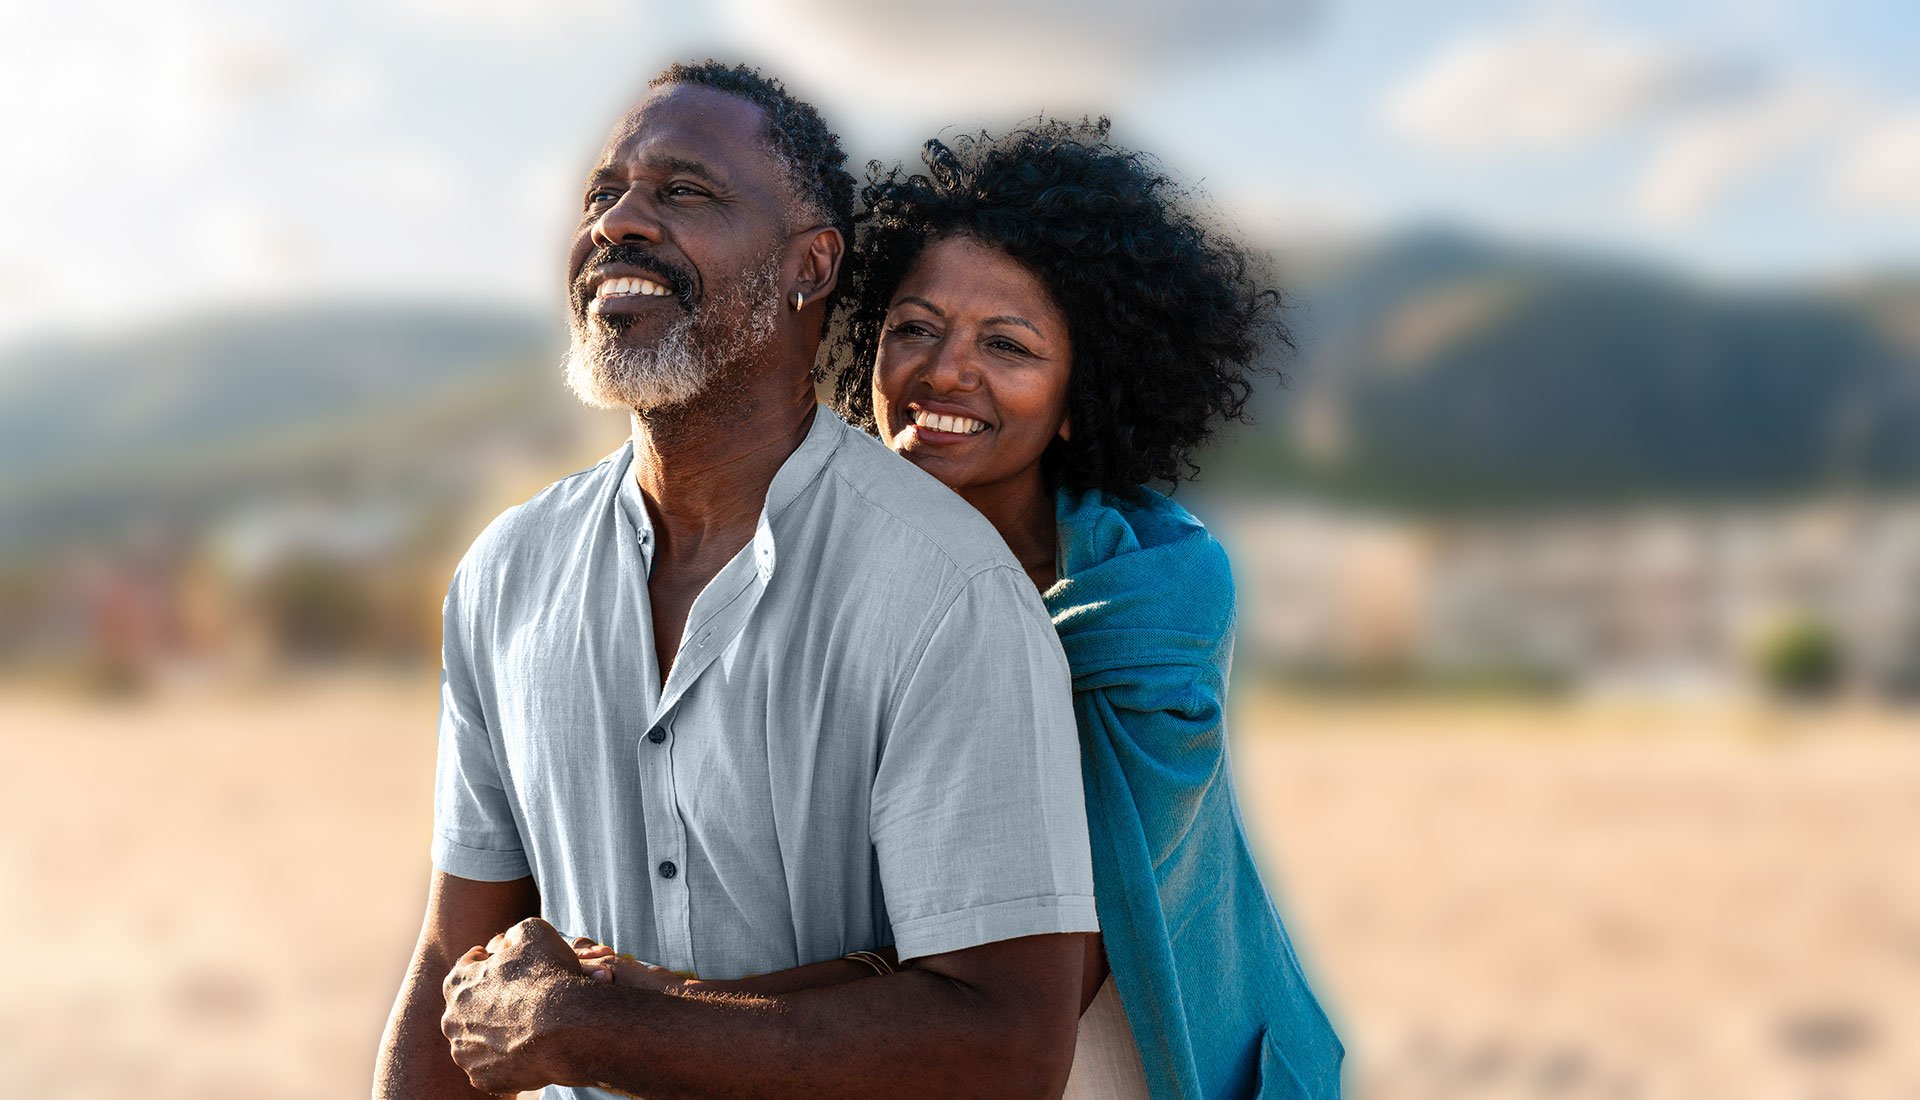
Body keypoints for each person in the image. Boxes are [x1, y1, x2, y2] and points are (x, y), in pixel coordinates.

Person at [371, 62, 1102, 1099]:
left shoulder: (946, 592)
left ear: (811, 263)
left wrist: (599, 1023)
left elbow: (1009, 1041)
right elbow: (456, 961)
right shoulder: (505, 575)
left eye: (685, 192)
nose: (619, 221)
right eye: (602, 194)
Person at [590, 119, 1343, 1096]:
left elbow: (1038, 957)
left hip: (1124, 1052)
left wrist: (654, 1007)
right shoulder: (799, 558)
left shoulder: (1154, 591)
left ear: (1078, 396)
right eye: (915, 327)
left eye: (1008, 344)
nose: (944, 370)